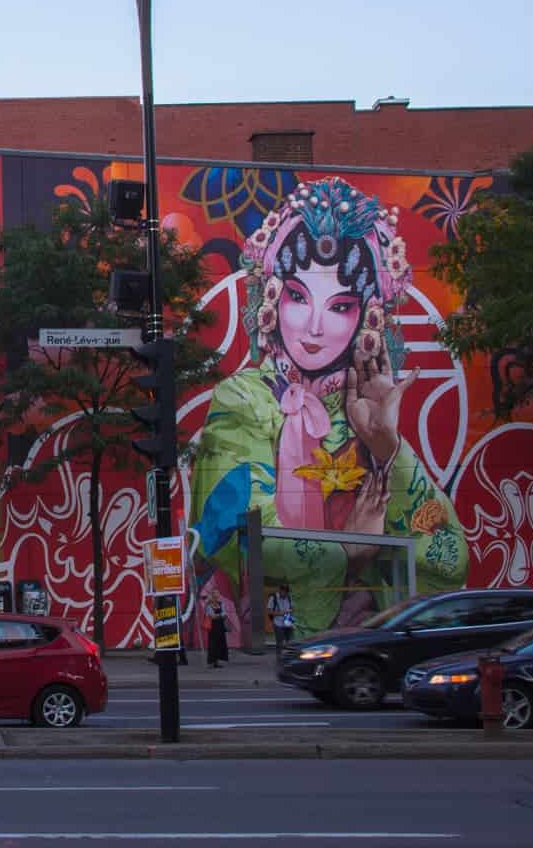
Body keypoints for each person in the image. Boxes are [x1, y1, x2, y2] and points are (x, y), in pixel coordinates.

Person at [188, 178, 467, 639]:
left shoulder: (364, 406)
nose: (315, 327)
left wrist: (388, 450)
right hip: (268, 637)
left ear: (368, 316)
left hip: (369, 652)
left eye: (340, 306)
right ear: (273, 300)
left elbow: (447, 559)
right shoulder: (243, 399)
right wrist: (351, 551)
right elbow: (240, 536)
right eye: (299, 297)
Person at [267, 583, 295, 654]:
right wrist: (281, 613)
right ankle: (279, 657)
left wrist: (291, 615)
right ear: (280, 590)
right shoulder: (273, 598)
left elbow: (292, 608)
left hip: (288, 622)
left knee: (289, 641)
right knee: (280, 642)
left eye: (286, 592)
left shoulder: (289, 597)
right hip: (278, 623)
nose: (285, 594)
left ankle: (288, 657)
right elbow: (269, 612)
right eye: (284, 591)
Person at [205, 593, 228, 669]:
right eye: (214, 596)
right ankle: (212, 661)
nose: (216, 598)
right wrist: (220, 615)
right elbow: (212, 616)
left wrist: (218, 615)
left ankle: (217, 661)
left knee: (220, 644)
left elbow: (225, 614)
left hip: (220, 627)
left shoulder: (221, 604)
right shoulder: (208, 606)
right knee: (212, 644)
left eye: (217, 596)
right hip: (213, 627)